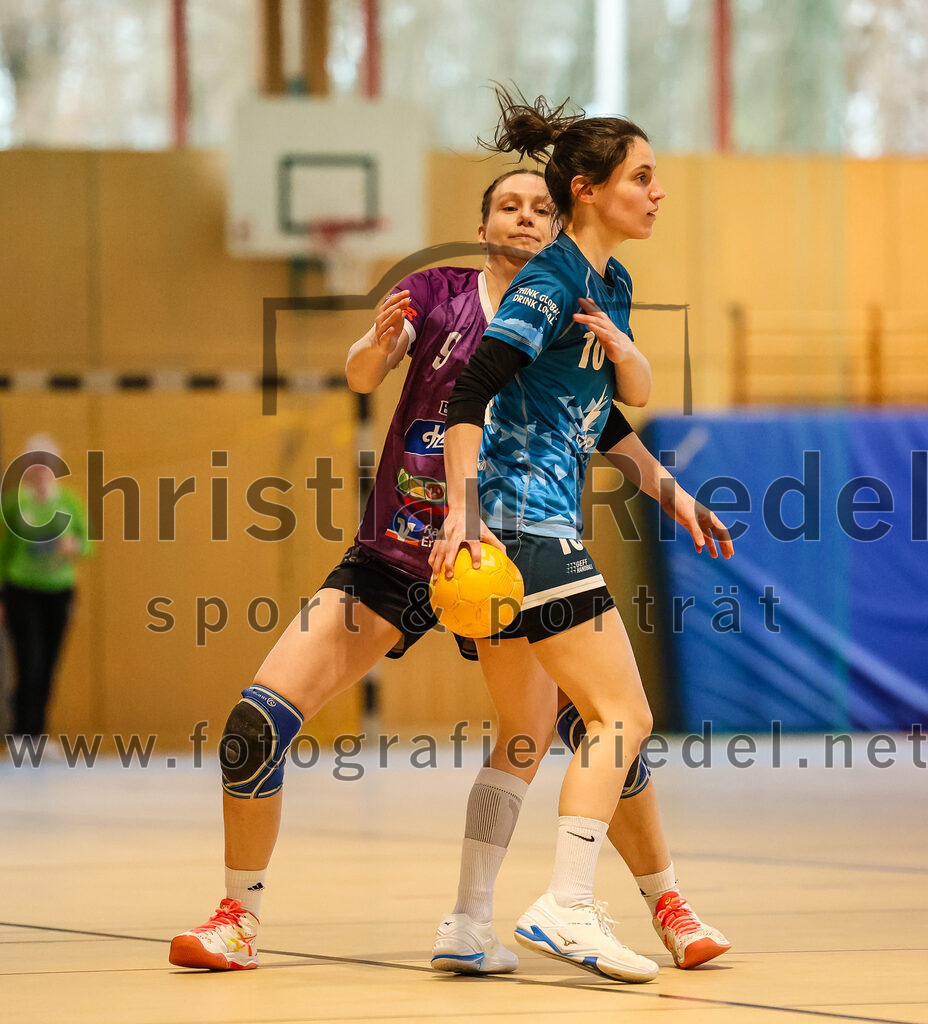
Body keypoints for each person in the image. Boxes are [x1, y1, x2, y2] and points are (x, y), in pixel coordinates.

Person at [429, 88, 733, 982]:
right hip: (520, 528)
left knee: (532, 731)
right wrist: (464, 510)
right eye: (644, 177)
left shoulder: (610, 285)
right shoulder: (552, 279)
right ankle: (566, 904)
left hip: (538, 527)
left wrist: (671, 493)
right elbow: (469, 390)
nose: (657, 192)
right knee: (623, 716)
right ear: (591, 189)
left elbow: (597, 415)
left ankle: (472, 919)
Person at [0, 435, 89, 744]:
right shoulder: (14, 504)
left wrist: (73, 546)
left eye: (46, 465)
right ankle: (21, 731)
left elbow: (88, 545)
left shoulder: (68, 502)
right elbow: (5, 551)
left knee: (49, 663)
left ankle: (37, 733)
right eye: (34, 465)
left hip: (57, 590)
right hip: (21, 590)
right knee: (28, 661)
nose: (40, 471)